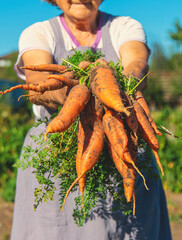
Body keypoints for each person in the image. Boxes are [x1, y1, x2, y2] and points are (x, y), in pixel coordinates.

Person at [11, 1, 172, 239]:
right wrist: (77, 96)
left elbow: (137, 64)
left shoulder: (125, 26)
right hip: (57, 154)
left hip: (124, 144)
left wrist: (114, 89)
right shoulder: (38, 32)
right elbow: (39, 80)